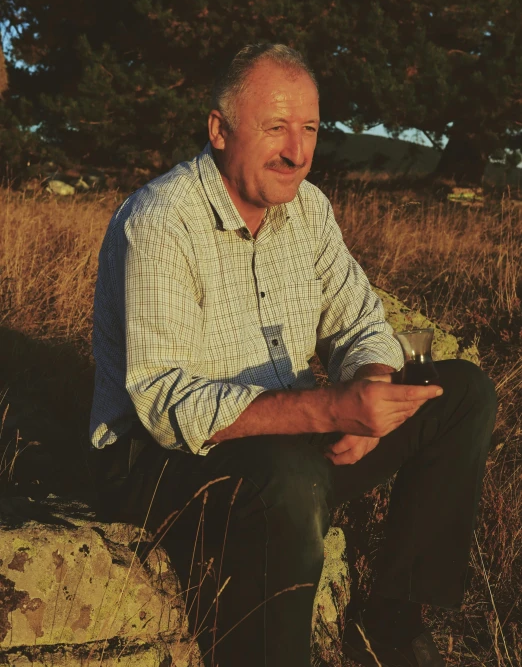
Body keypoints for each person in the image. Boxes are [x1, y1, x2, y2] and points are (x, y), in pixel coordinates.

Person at [90, 43, 497, 667]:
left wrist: (369, 391)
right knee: (290, 476)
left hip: (285, 439)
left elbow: (360, 321)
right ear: (219, 131)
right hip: (159, 463)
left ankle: (389, 625)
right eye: (275, 127)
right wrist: (330, 407)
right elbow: (160, 399)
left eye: (309, 128)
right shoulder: (161, 220)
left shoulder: (307, 210)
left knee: (460, 393)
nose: (297, 152)